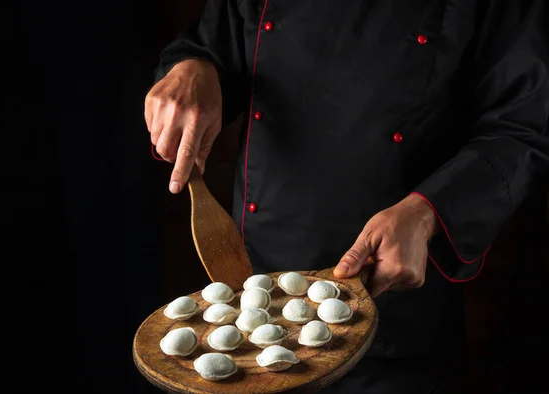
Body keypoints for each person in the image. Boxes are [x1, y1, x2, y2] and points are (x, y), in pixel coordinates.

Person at [145, 1, 549, 392]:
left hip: (394, 297)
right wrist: (192, 67)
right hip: (251, 296)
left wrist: (428, 211)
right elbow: (216, 46)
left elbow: (521, 126)